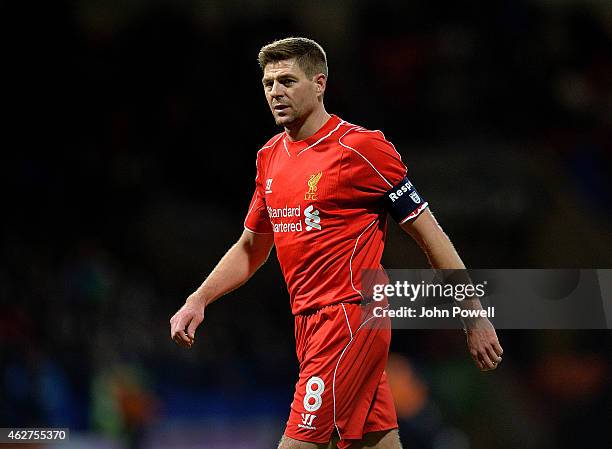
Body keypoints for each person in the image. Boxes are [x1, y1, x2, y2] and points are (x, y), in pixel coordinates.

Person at [170, 37, 503, 449]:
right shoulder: (270, 156)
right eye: (268, 83)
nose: (275, 92)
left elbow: (431, 236)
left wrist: (472, 312)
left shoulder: (361, 149)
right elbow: (250, 247)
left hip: (350, 317)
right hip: (309, 324)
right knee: (378, 443)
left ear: (319, 83)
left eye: (288, 81)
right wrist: (198, 299)